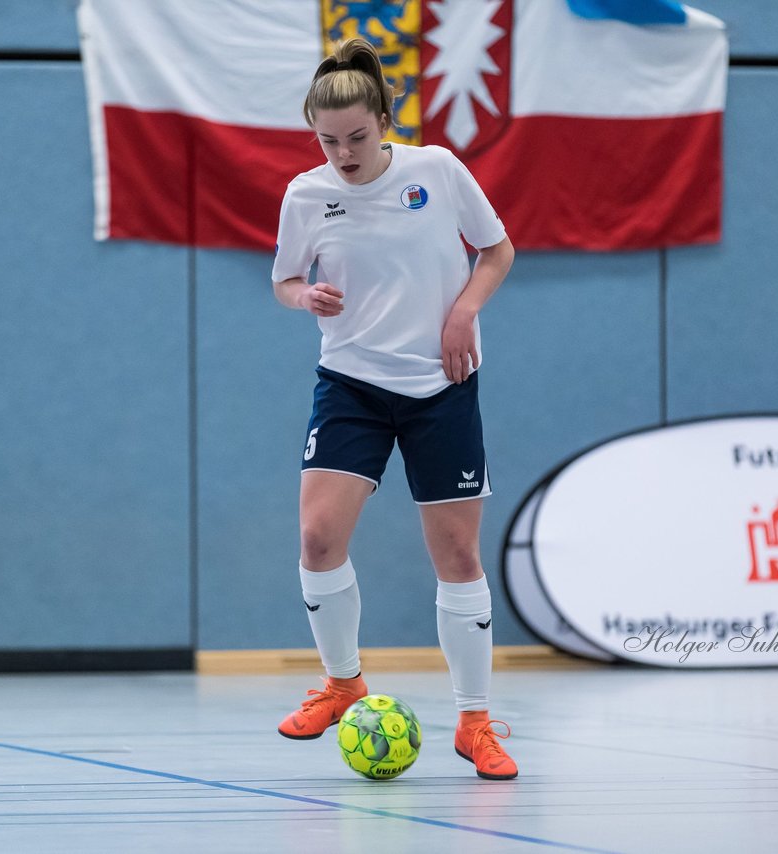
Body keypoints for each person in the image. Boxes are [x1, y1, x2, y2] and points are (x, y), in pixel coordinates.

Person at [271, 37, 518, 781]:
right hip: (350, 382)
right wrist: (303, 296)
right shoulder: (306, 195)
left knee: (457, 558)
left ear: (382, 119)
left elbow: (498, 250)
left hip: (440, 384)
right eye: (328, 140)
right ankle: (344, 681)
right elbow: (284, 278)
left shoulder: (437, 170)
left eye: (356, 136)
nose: (343, 152)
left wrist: (462, 313)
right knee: (318, 540)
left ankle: (475, 721)